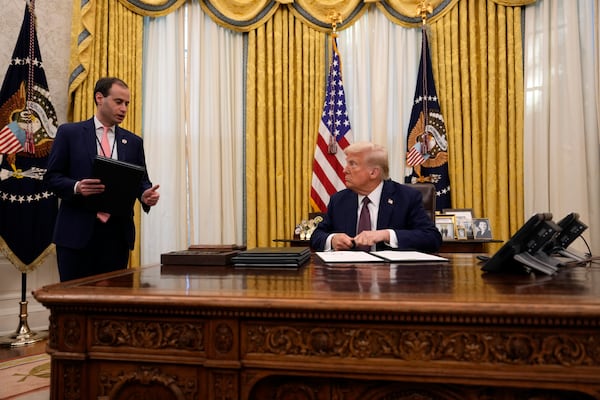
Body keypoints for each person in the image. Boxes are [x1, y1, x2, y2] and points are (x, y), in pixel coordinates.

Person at [44, 77, 160, 281]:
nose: (124, 108)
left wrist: (145, 194)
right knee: (75, 305)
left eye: (127, 103)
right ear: (100, 98)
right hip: (76, 236)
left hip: (116, 237)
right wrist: (77, 186)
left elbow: (141, 181)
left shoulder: (133, 142)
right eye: (118, 102)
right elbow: (51, 178)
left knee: (112, 304)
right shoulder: (69, 133)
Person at [310, 142, 442, 253]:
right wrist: (332, 240)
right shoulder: (338, 200)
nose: (345, 170)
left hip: (393, 278)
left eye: (353, 164)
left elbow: (432, 238)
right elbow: (316, 237)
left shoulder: (406, 197)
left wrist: (385, 235)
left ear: (373, 172)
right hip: (348, 277)